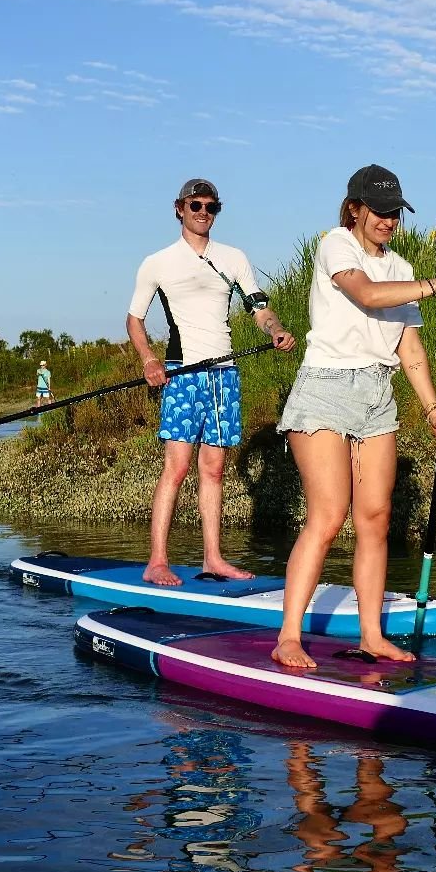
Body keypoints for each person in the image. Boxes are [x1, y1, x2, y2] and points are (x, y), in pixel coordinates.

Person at [272, 164, 436, 669]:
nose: (388, 220)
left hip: (377, 395)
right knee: (328, 516)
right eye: (380, 211)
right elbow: (366, 294)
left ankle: (372, 635)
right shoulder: (335, 245)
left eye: (395, 212)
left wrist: (434, 410)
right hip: (324, 389)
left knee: (376, 518)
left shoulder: (403, 268)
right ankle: (288, 637)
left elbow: (409, 347)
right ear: (355, 209)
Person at [127, 177, 296, 587]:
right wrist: (150, 360)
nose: (203, 213)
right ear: (179, 209)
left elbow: (259, 308)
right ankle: (157, 561)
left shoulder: (234, 257)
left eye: (211, 207)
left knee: (214, 468)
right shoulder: (157, 262)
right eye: (195, 205)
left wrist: (274, 329)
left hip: (223, 374)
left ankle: (213, 559)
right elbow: (135, 320)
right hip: (182, 373)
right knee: (178, 466)